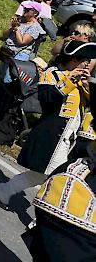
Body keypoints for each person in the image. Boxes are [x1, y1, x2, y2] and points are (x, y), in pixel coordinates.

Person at [0, 41, 96, 211]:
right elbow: (46, 100)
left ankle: (5, 190)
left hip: (69, 139)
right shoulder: (53, 74)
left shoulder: (82, 83)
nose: (86, 65)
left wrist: (86, 87)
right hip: (53, 135)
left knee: (46, 177)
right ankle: (39, 215)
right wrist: (69, 81)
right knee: (55, 178)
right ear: (73, 60)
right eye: (84, 61)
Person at [27, 78, 96, 261]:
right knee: (43, 177)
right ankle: (5, 190)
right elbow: (47, 98)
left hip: (67, 142)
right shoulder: (57, 75)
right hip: (59, 142)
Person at [0, 1, 45, 82]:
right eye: (25, 8)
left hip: (19, 54)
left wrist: (16, 29)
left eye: (28, 9)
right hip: (8, 50)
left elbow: (22, 42)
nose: (25, 10)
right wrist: (12, 28)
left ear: (35, 13)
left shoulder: (35, 27)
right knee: (2, 74)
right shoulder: (20, 20)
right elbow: (3, 36)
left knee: (8, 78)